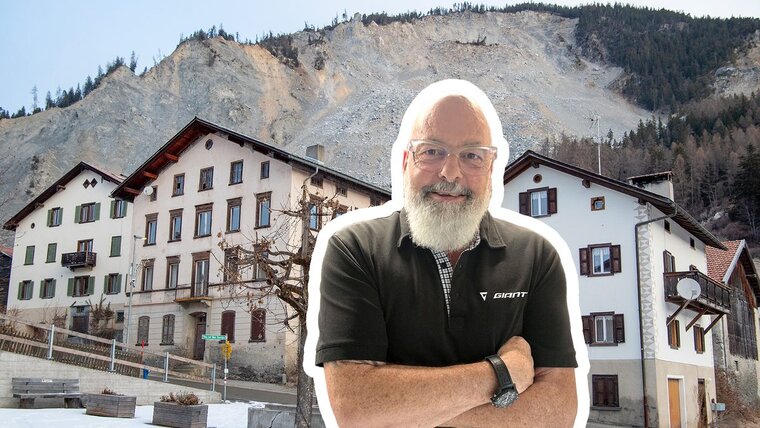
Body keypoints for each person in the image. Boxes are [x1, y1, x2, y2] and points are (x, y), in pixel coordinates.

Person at [309, 80, 580, 427]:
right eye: (432, 151)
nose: (450, 173)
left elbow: (558, 411)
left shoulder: (537, 256)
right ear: (405, 162)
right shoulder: (354, 249)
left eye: (472, 156)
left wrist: (405, 409)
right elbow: (357, 407)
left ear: (491, 170)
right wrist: (501, 373)